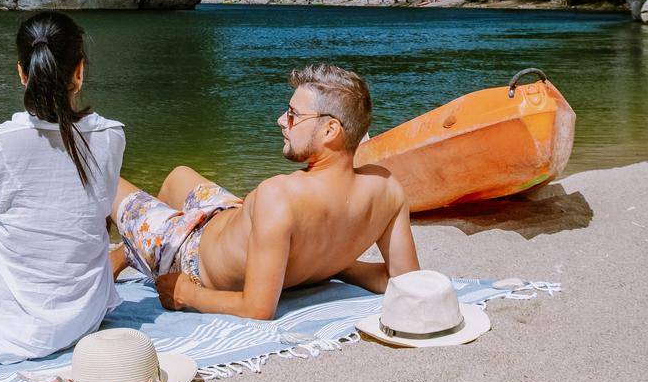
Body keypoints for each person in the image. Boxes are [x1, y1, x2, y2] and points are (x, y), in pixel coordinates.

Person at [110, 62, 418, 320]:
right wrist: (338, 266)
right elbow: (404, 282)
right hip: (230, 218)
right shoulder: (387, 189)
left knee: (105, 182)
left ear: (330, 130)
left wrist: (186, 294)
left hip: (189, 252)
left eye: (293, 114)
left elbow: (258, 309)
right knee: (180, 176)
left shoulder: (280, 196)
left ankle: (135, 249)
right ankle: (129, 251)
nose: (281, 121)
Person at [0, 11, 125, 361]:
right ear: (79, 71)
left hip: (3, 337)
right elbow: (100, 217)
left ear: (23, 72)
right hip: (84, 318)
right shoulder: (111, 135)